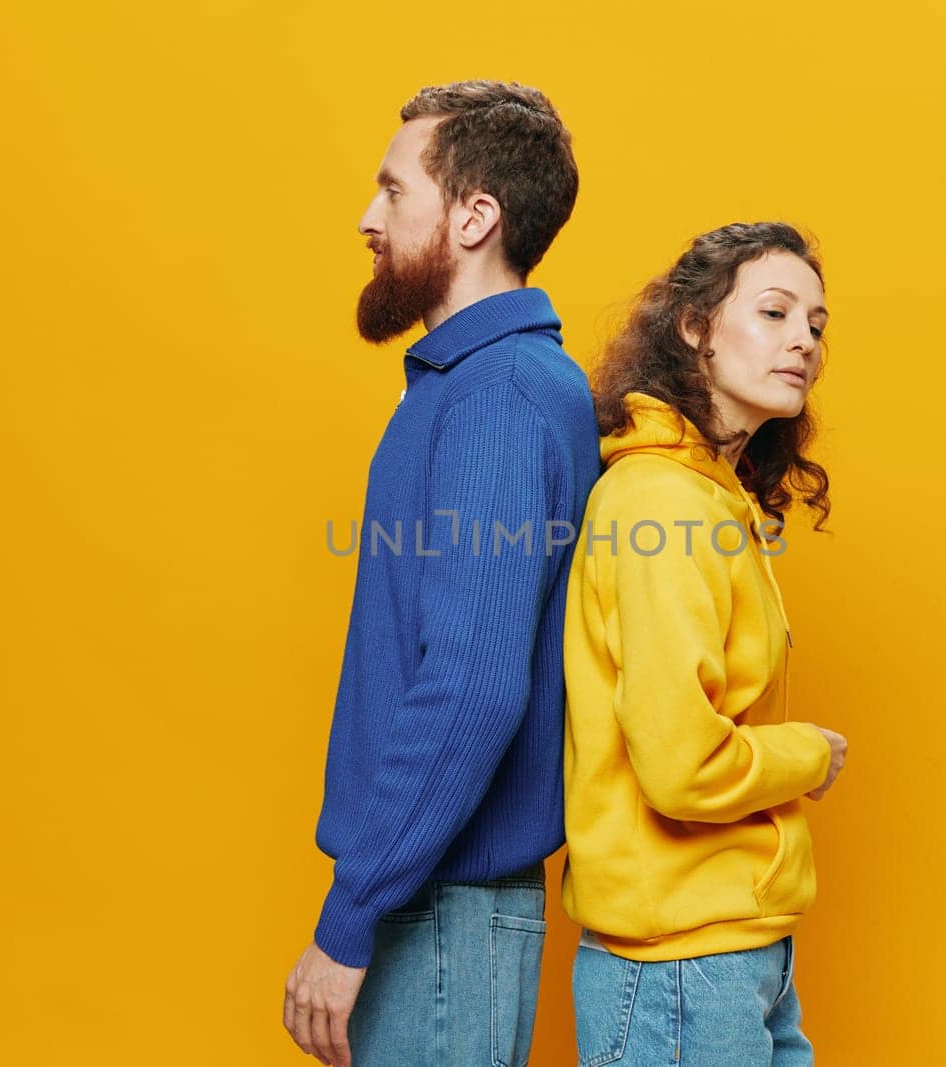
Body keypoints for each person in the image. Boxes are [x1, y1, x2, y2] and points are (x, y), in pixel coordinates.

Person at [282, 81, 597, 1067]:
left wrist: (350, 914)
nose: (367, 218)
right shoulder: (475, 383)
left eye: (392, 189)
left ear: (473, 216)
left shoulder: (495, 395)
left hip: (442, 909)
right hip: (435, 899)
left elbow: (469, 683)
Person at [561, 221, 849, 1066]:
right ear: (694, 327)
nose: (804, 338)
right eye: (774, 311)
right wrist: (806, 754)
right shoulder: (662, 501)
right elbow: (679, 764)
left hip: (735, 948)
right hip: (682, 963)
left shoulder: (706, 498)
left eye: (817, 324)